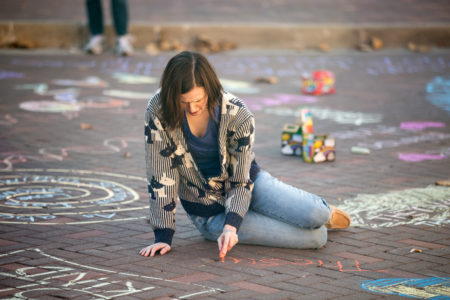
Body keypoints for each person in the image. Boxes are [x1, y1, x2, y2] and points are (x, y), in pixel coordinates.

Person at [139, 51, 350, 259]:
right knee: (317, 239)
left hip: (250, 185)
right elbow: (161, 174)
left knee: (317, 214)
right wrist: (163, 235)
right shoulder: (159, 110)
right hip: (209, 214)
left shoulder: (237, 113)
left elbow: (241, 179)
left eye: (199, 100)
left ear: (210, 90)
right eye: (184, 102)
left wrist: (232, 227)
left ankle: (319, 216)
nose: (192, 108)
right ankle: (287, 221)